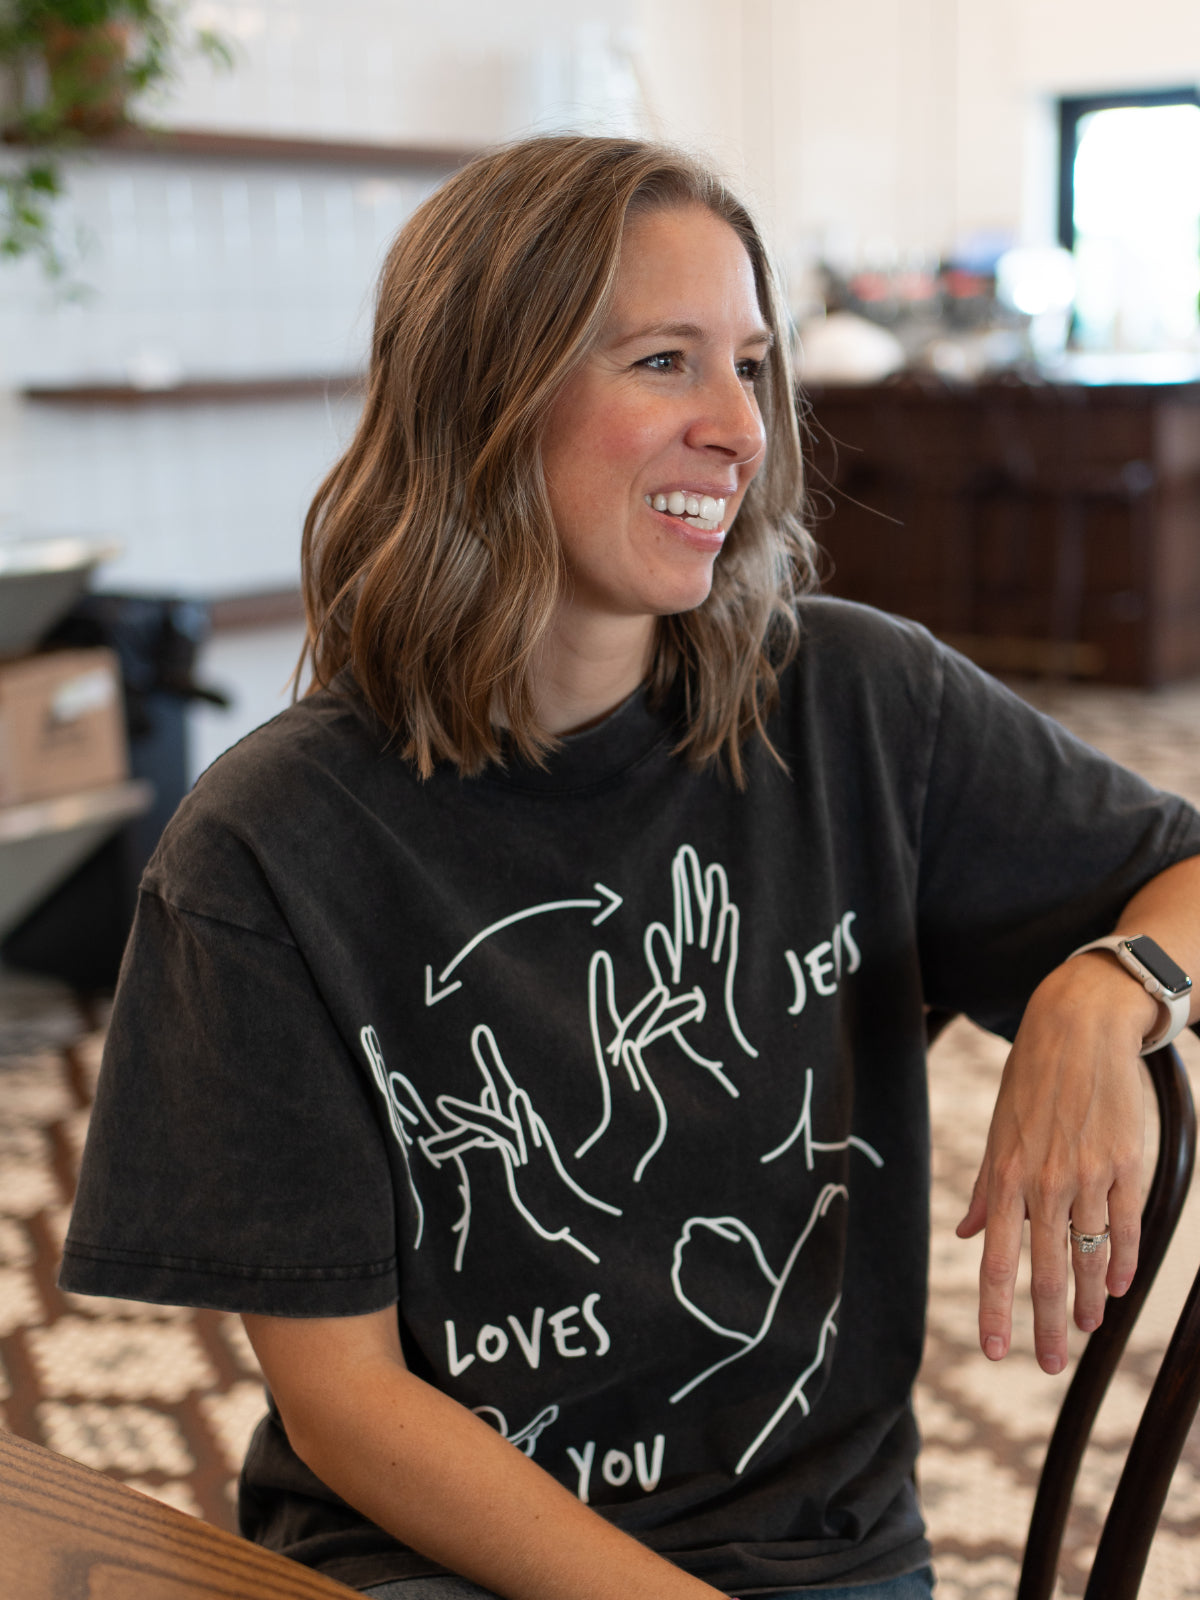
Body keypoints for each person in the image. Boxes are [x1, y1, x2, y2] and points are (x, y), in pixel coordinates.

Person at [61, 135, 1200, 1600]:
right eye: (664, 361)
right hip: (434, 1561)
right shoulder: (265, 851)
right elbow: (347, 1406)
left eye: (753, 366)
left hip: (812, 1560)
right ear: (484, 397)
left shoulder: (857, 705)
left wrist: (1115, 984)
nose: (739, 426)